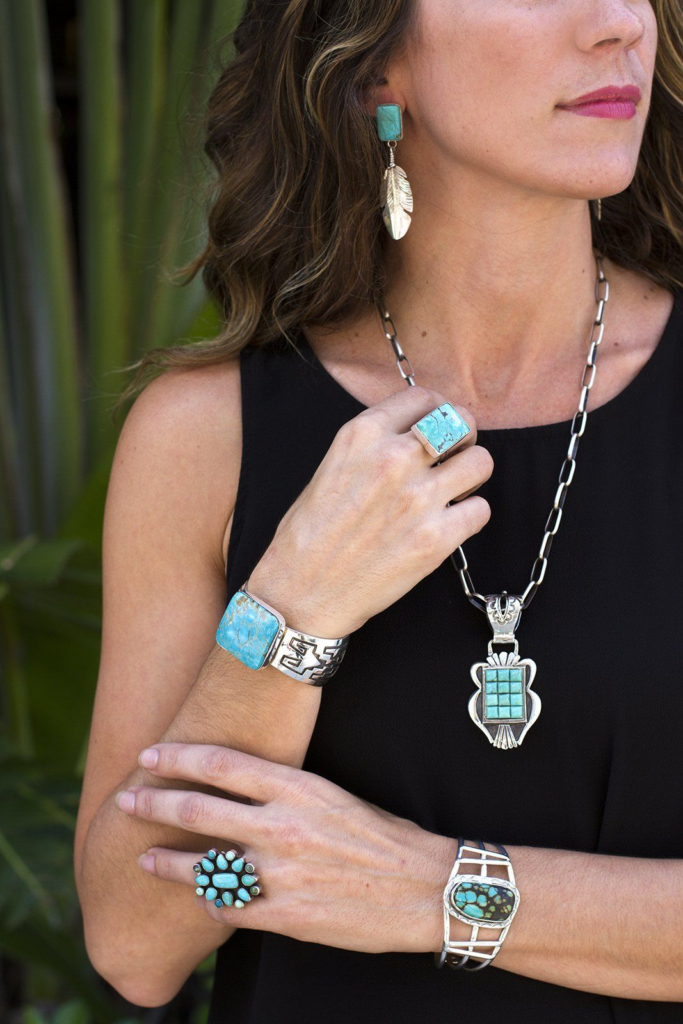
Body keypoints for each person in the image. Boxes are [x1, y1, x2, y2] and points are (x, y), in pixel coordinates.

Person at [74, 1, 683, 1021]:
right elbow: (139, 940)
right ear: (371, 69)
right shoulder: (205, 438)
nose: (615, 22)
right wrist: (289, 610)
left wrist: (434, 889)